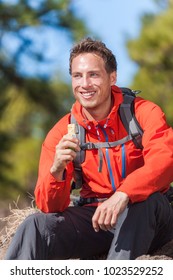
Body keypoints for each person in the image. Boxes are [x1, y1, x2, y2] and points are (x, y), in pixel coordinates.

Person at [5, 37, 173, 260]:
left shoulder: (143, 113)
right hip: (95, 220)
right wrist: (56, 171)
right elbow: (50, 207)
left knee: (144, 203)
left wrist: (125, 193)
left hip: (149, 217)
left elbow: (165, 161)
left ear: (112, 77)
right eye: (77, 76)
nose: (84, 84)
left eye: (93, 74)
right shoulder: (61, 131)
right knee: (35, 225)